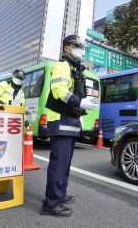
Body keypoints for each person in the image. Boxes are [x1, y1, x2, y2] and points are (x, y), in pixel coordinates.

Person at [40, 35, 99, 217]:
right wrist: (79, 102)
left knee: (65, 163)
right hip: (60, 119)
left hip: (70, 119)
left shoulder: (75, 69)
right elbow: (58, 91)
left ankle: (60, 194)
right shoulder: (62, 66)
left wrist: (81, 108)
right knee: (59, 164)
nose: (81, 50)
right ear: (67, 48)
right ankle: (51, 203)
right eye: (77, 46)